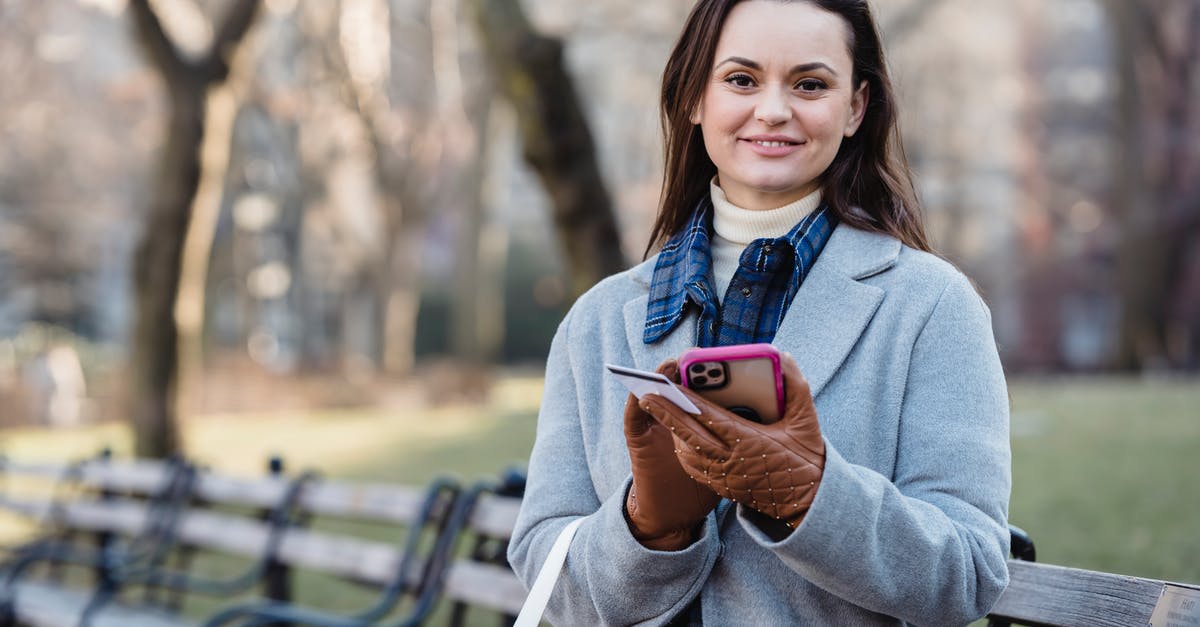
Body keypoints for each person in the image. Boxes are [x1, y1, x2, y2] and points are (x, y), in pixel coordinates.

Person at [507, 0, 1011, 624]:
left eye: (810, 84)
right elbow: (546, 578)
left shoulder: (934, 307)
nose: (773, 110)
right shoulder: (597, 321)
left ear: (855, 108)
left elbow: (968, 574)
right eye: (741, 79)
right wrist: (647, 526)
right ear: (695, 98)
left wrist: (810, 494)